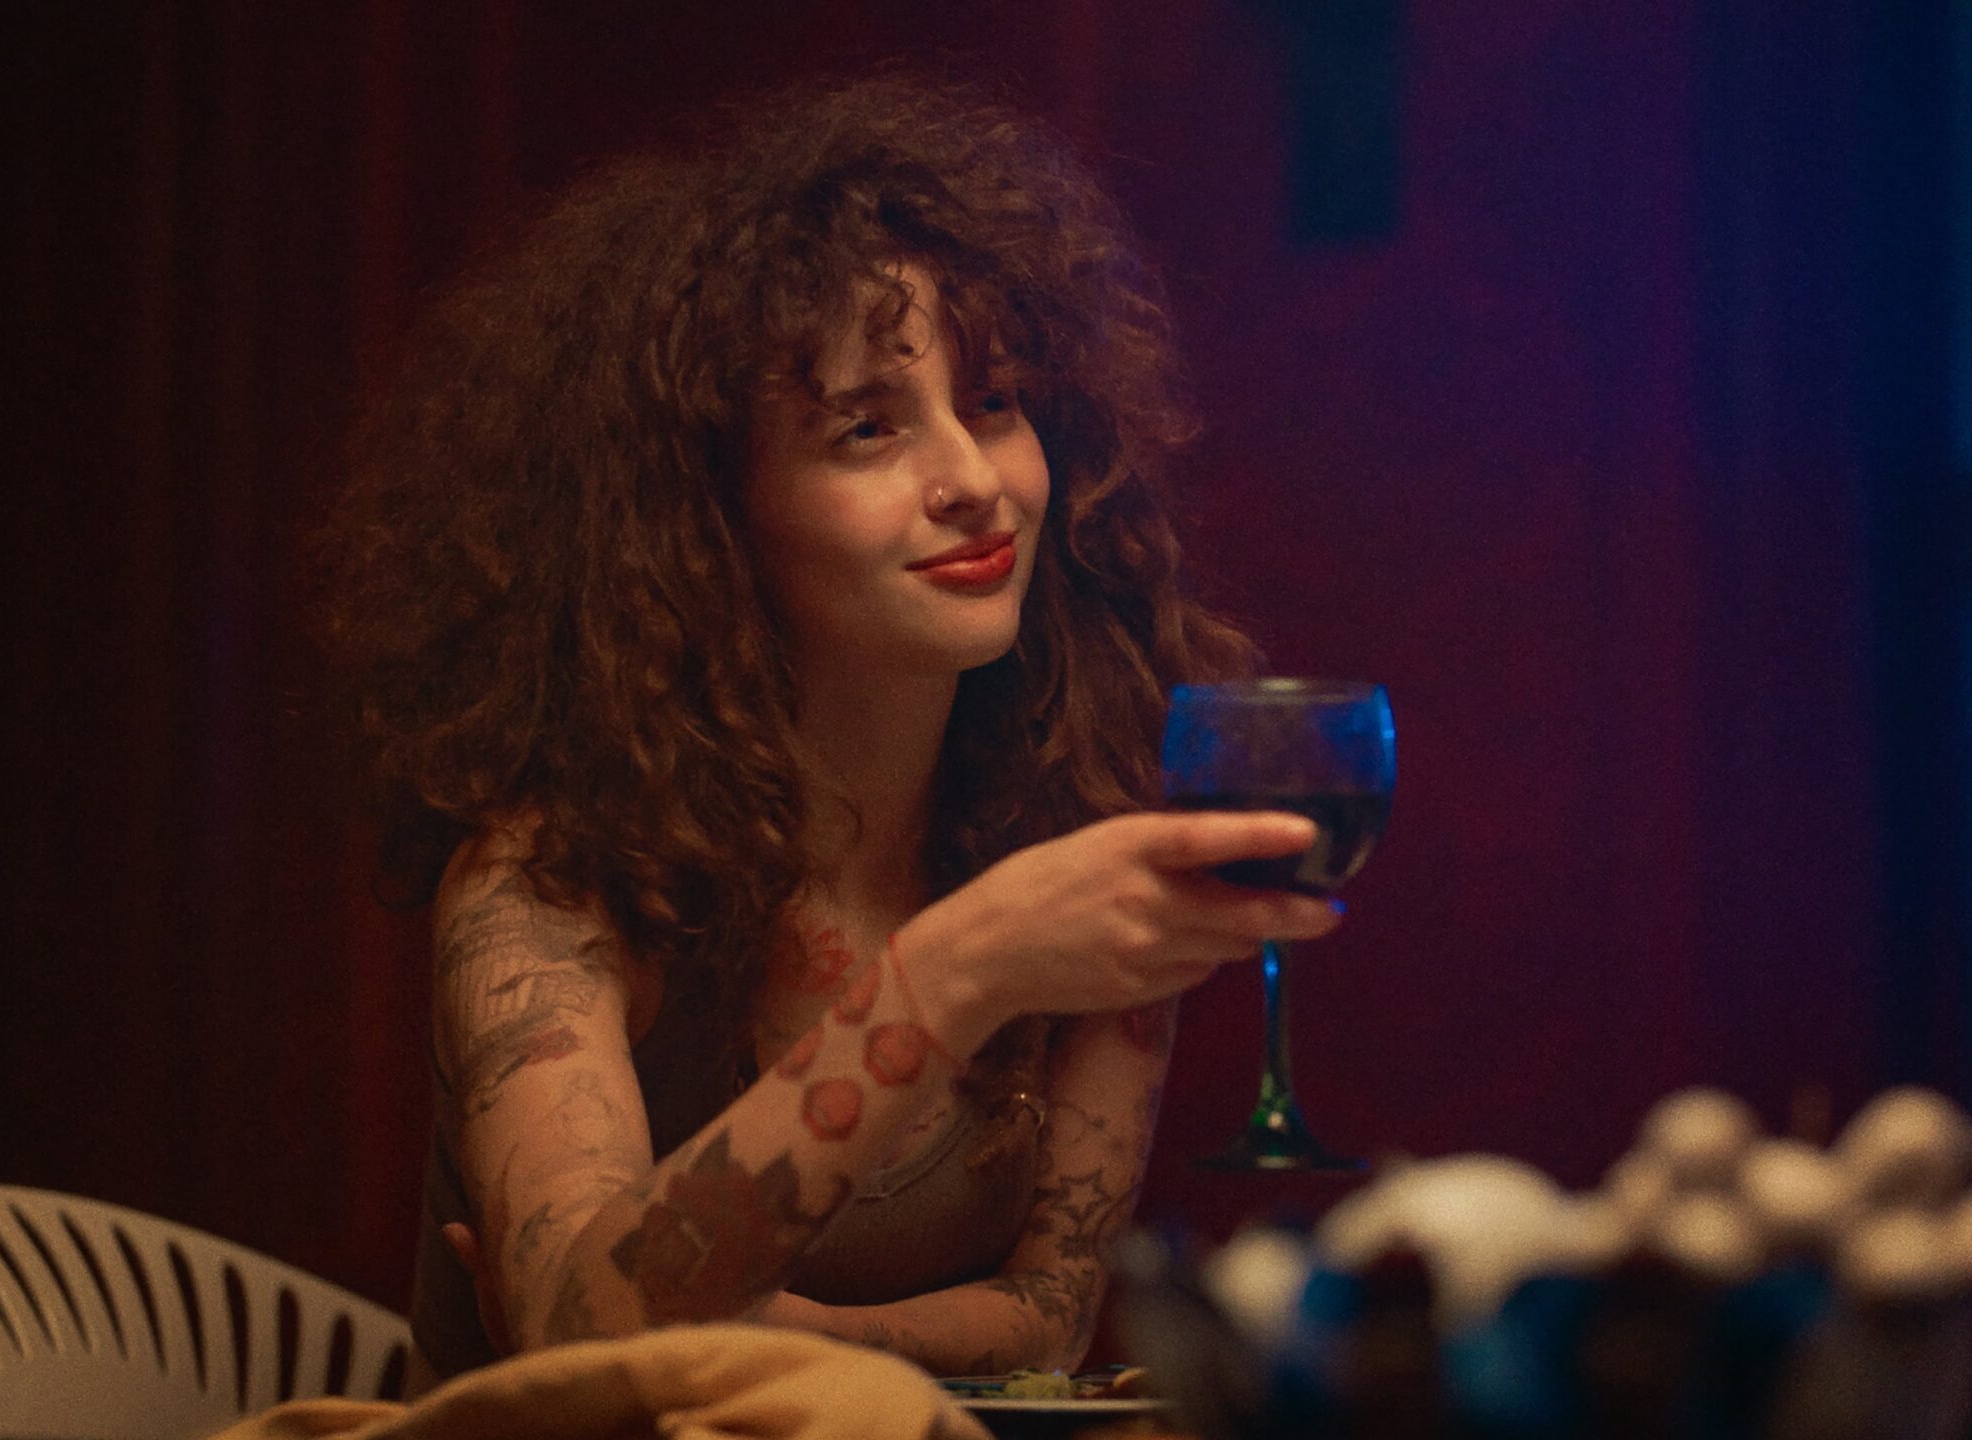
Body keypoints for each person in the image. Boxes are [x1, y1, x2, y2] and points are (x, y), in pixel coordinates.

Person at [322, 71, 1342, 1387]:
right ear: (703, 518)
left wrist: (779, 1335)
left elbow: (1051, 1314)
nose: (971, 482)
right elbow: (578, 1340)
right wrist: (955, 969)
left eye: (994, 403)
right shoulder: (551, 881)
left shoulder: (1069, 833)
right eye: (867, 430)